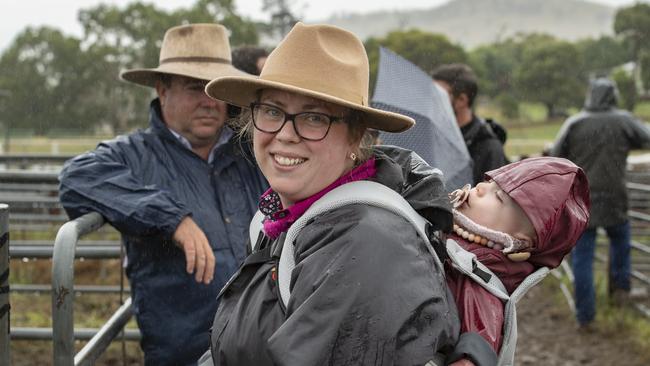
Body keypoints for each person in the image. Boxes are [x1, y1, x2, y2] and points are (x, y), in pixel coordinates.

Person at [204, 22, 460, 365]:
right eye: (272, 111)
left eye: (313, 117)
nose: (285, 134)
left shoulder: (367, 241)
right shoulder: (282, 220)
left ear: (356, 137)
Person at [58, 24, 267, 365]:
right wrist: (172, 217)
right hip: (185, 350)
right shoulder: (135, 154)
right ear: (162, 89)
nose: (208, 101)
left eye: (216, 88)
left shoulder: (251, 151)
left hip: (262, 346)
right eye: (194, 87)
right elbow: (75, 177)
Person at [445, 157, 590, 365]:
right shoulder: (444, 228)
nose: (480, 188)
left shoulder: (477, 281)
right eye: (489, 182)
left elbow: (480, 339)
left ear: (518, 242)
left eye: (498, 197)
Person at [551, 77, 650, 328]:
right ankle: (621, 293)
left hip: (584, 199)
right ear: (613, 96)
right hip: (616, 196)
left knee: (583, 256)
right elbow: (645, 137)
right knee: (621, 244)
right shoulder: (623, 120)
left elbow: (555, 154)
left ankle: (586, 317)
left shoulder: (574, 122)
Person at [432, 64, 508, 184]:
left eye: (439, 96)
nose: (432, 101)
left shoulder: (488, 148)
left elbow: (488, 199)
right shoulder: (430, 136)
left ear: (462, 100)